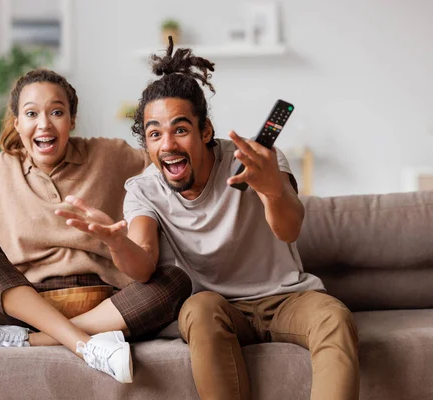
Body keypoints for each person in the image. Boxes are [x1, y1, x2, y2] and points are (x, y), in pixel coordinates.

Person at [58, 39, 359, 399]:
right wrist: (116, 241)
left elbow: (290, 228)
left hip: (286, 298)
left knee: (334, 317)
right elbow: (142, 266)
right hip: (217, 308)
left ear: (205, 131)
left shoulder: (256, 159)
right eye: (155, 134)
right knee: (199, 308)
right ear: (147, 145)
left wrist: (272, 189)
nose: (167, 144)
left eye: (180, 129)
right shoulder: (144, 190)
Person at [0, 68, 191, 384]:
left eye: (56, 112)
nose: (44, 123)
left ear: (72, 120)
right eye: (31, 113)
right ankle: (87, 345)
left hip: (107, 304)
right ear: (17, 123)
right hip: (24, 308)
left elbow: (170, 159)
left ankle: (28, 341)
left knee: (176, 281)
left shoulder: (110, 155)